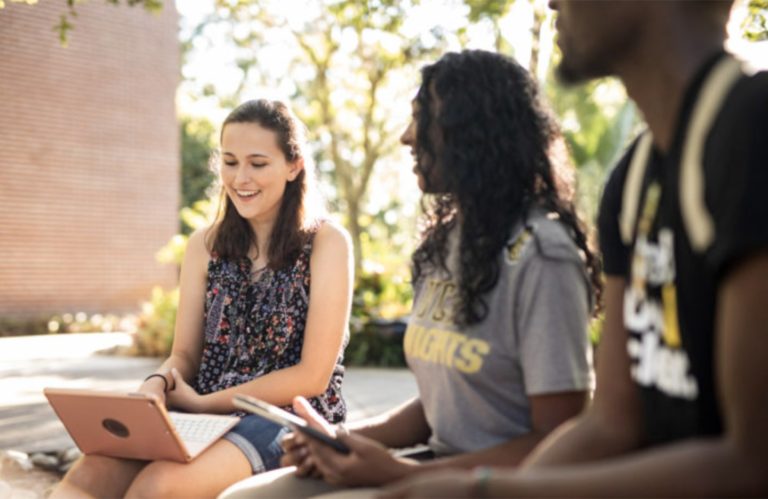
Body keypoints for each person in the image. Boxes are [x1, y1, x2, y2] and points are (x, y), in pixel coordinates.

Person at [381, 1, 768, 497]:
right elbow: (610, 424)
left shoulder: (752, 128)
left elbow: (753, 463)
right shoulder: (633, 178)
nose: (551, 3)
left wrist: (479, 490)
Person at [219, 49, 601, 499]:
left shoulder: (543, 255)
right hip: (433, 464)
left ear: (471, 130)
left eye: (422, 118)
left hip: (495, 485)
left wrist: (400, 475)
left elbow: (558, 440)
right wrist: (344, 440)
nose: (405, 136)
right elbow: (446, 404)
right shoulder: (449, 240)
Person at [52, 99, 353, 498]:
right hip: (202, 409)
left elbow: (312, 376)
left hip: (284, 418)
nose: (240, 177)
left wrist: (205, 404)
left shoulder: (327, 242)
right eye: (230, 162)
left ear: (294, 166)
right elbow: (185, 356)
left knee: (158, 488)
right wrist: (156, 384)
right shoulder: (204, 245)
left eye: (258, 163)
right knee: (89, 476)